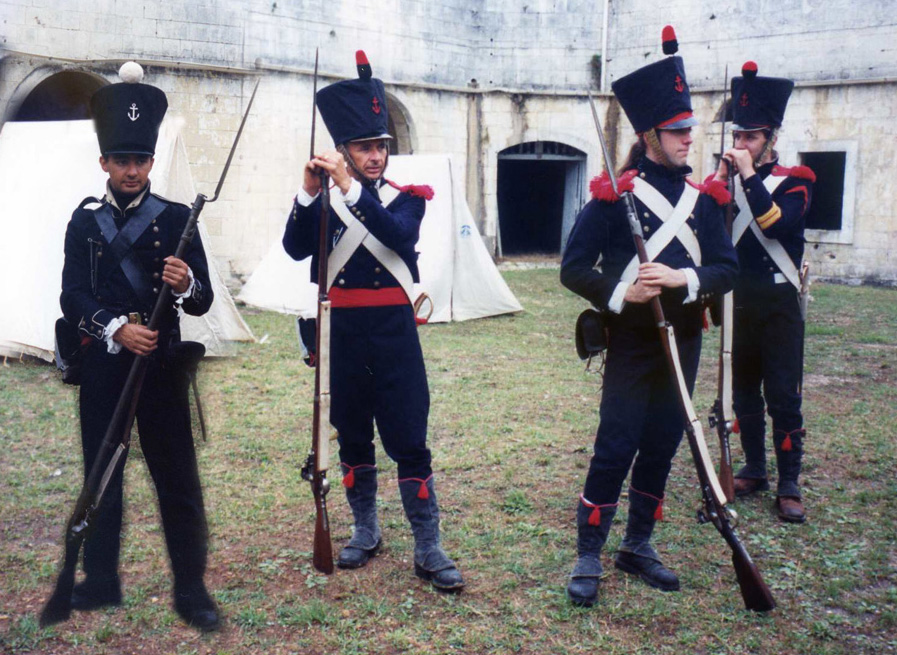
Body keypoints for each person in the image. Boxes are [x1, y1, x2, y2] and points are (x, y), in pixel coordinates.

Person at [560, 27, 738, 607]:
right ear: (649, 135)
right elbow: (572, 267)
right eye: (678, 130)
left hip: (684, 339)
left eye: (691, 128)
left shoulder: (706, 200)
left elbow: (726, 269)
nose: (690, 139)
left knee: (663, 442)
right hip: (633, 344)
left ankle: (638, 545)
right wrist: (621, 293)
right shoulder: (615, 195)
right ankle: (590, 553)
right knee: (616, 444)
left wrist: (686, 280)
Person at [282, 51, 463, 591]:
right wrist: (309, 193)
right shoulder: (326, 201)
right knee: (353, 435)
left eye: (381, 146)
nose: (377, 156)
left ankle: (428, 546)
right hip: (342, 338)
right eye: (365, 147)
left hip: (394, 337)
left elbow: (394, 235)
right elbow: (294, 249)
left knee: (409, 437)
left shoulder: (410, 201)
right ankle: (365, 529)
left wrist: (348, 187)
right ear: (344, 150)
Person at [59, 62, 219, 631]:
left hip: (162, 368)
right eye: (121, 160)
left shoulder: (178, 219)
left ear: (153, 161)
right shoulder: (84, 224)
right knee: (102, 474)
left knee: (177, 478)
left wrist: (187, 283)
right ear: (104, 161)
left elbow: (201, 304)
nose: (131, 170)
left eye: (141, 160)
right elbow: (71, 296)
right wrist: (113, 327)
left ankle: (191, 588)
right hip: (105, 366)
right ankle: (100, 580)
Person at [713, 62, 815, 523]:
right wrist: (719, 184)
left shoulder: (798, 180)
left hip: (778, 306)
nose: (740, 146)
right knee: (743, 396)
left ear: (770, 139)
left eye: (750, 138)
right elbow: (705, 233)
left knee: (782, 396)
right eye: (737, 137)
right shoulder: (727, 183)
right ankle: (755, 468)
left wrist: (748, 176)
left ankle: (789, 482)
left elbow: (776, 225)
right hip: (737, 305)